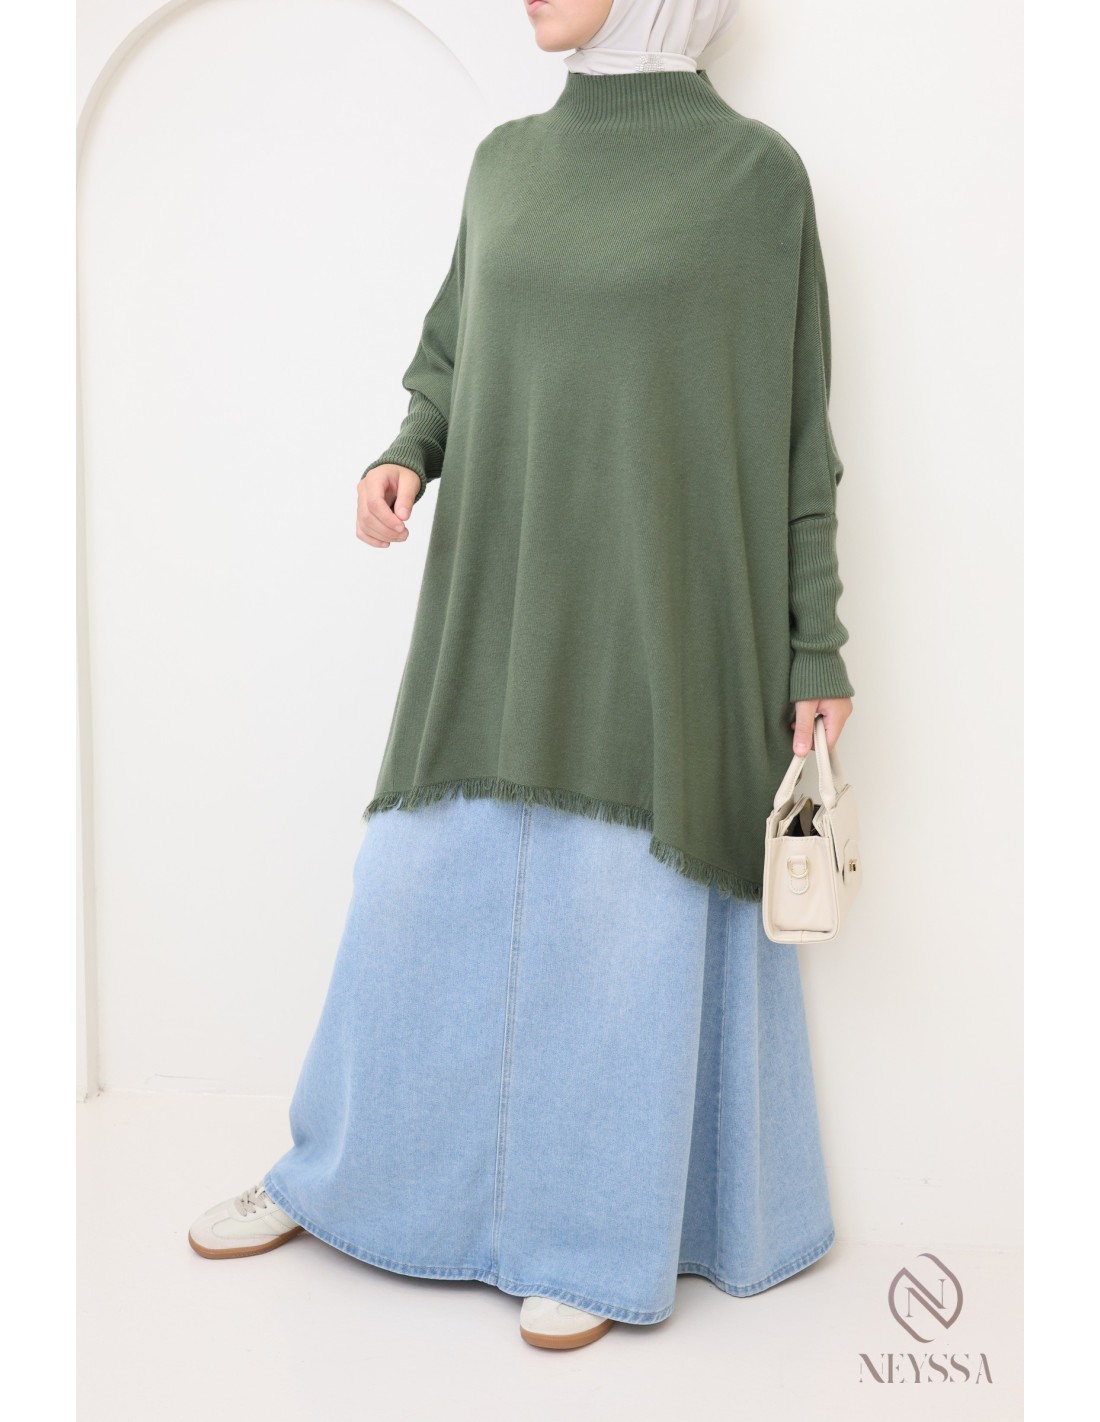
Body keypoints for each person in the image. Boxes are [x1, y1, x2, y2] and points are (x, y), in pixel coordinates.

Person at [187, 0, 855, 1352]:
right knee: (417, 892)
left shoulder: (754, 181)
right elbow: (453, 351)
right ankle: (341, 1177)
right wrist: (406, 450)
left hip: (664, 617)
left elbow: (799, 435)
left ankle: (589, 1239)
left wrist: (817, 640)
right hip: (497, 594)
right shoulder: (505, 163)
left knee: (623, 927)